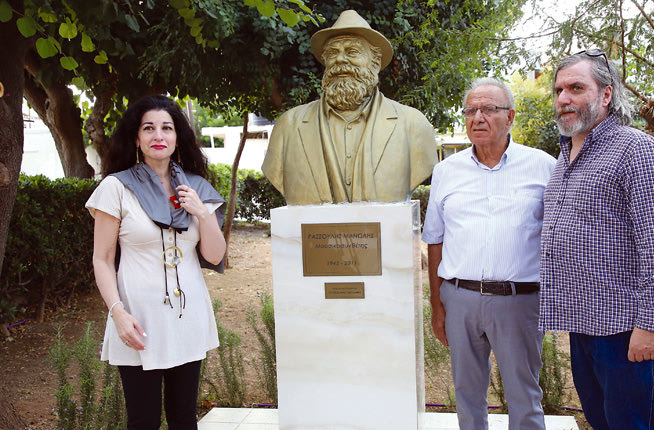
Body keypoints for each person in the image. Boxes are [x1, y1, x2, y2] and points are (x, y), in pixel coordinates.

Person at [540, 50, 654, 429]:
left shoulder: (635, 150)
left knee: (629, 424)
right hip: (583, 324)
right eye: (559, 90)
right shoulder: (564, 158)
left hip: (624, 329)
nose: (563, 99)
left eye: (576, 88)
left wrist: (651, 325)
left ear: (605, 95)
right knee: (601, 421)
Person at [86, 95, 227, 429]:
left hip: (187, 316)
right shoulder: (116, 188)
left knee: (183, 417)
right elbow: (102, 260)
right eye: (148, 128)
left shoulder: (196, 188)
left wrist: (201, 214)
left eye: (167, 128)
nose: (158, 135)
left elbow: (215, 255)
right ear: (137, 138)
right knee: (143, 420)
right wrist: (117, 313)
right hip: (138, 317)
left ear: (177, 137)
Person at [422, 77, 555, 430]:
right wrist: (438, 306)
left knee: (524, 396)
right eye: (470, 110)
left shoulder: (544, 166)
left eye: (488, 109)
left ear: (509, 117)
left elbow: (560, 238)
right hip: (459, 298)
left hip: (519, 302)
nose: (477, 118)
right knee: (466, 393)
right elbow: (434, 240)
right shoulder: (446, 171)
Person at [261, 9, 438, 205]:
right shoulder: (289, 126)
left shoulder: (413, 124)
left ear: (375, 62)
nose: (340, 59)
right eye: (332, 53)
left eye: (352, 52)